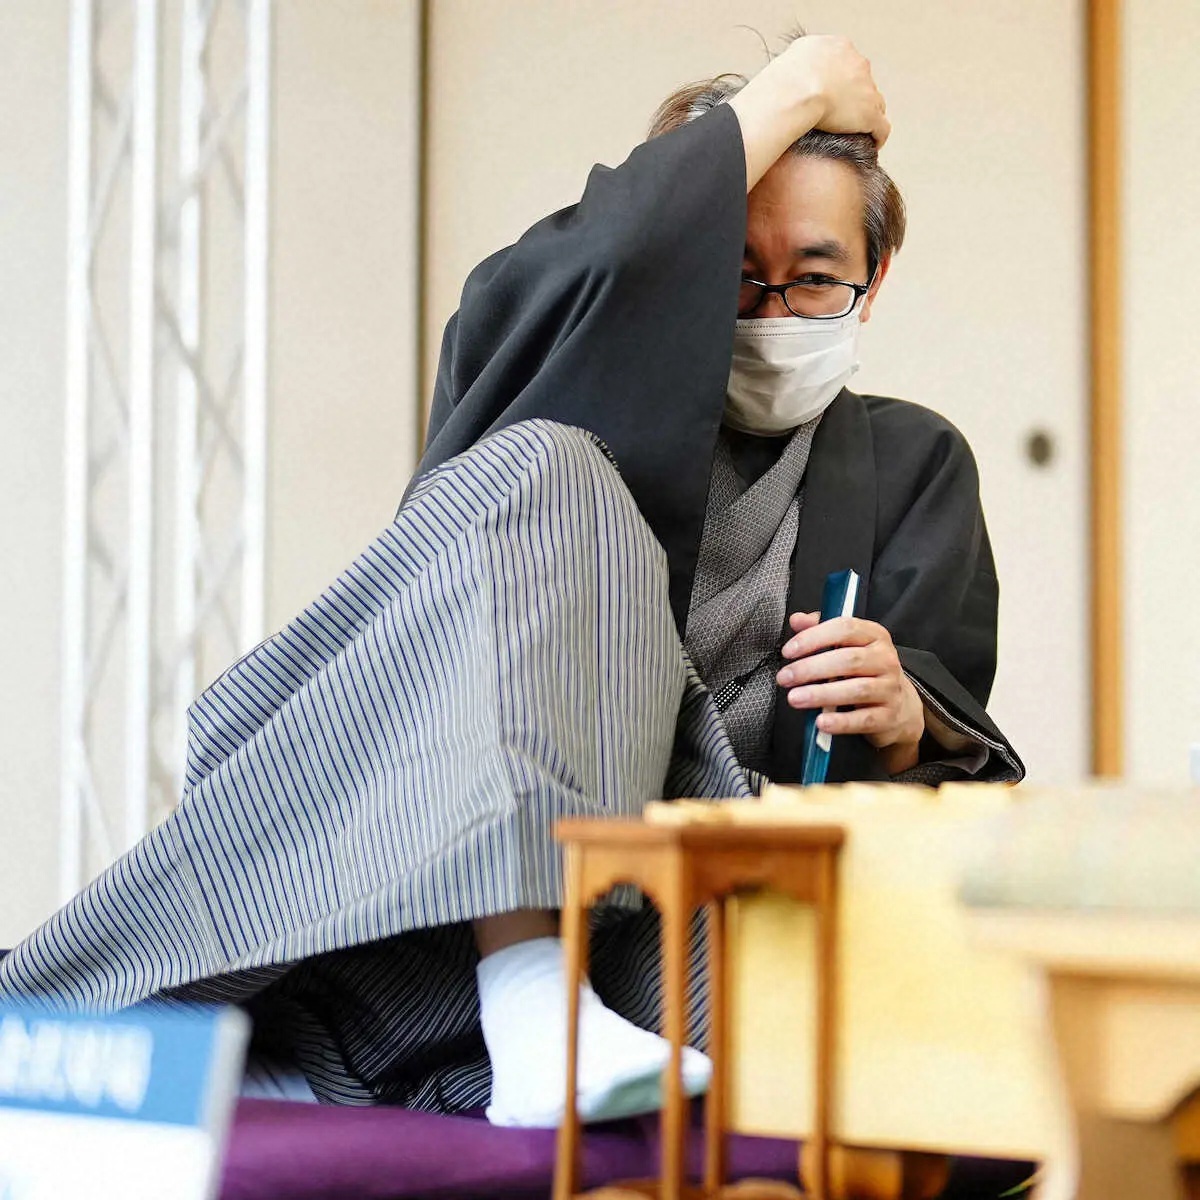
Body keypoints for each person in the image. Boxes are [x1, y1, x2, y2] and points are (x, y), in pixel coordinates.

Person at [0, 35, 1022, 1130]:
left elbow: (930, 795)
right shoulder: (562, 376)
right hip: (444, 849)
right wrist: (791, 91)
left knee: (842, 981)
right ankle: (527, 988)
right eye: (733, 273)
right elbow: (559, 295)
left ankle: (357, 1064)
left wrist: (912, 717)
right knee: (547, 465)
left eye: (815, 279)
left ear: (873, 281)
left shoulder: (916, 462)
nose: (773, 312)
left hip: (683, 901)